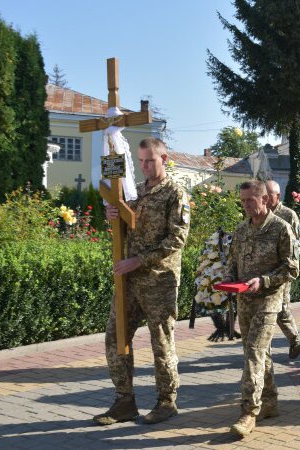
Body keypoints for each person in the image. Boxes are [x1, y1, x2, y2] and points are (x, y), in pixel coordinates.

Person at [94, 137, 190, 426]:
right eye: (141, 161)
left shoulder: (175, 193)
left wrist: (139, 260)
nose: (145, 165)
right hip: (129, 281)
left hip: (159, 281)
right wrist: (113, 215)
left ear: (164, 159)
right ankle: (125, 401)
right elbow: (125, 228)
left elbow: (177, 238)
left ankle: (166, 402)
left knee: (160, 341)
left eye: (150, 160)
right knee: (116, 337)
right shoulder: (134, 192)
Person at [224, 180, 299, 437]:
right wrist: (228, 279)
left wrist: (264, 281)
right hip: (244, 300)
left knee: (253, 353)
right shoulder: (241, 229)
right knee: (258, 352)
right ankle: (270, 401)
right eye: (243, 201)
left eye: (250, 200)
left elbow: (291, 268)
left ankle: (249, 411)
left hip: (268, 300)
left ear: (265, 199)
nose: (245, 205)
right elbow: (234, 260)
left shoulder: (281, 228)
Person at [264, 180, 300, 359]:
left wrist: (287, 265)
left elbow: (297, 244)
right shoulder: (260, 213)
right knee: (265, 311)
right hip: (263, 272)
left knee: (281, 309)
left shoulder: (288, 215)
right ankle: (264, 353)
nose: (265, 198)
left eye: (268, 195)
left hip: (282, 271)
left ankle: (294, 337)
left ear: (277, 196)